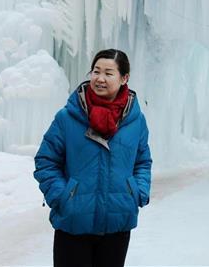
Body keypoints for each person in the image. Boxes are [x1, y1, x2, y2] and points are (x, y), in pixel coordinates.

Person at [34, 49, 152, 267]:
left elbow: (142, 161)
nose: (100, 78)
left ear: (124, 78)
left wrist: (137, 192)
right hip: (73, 222)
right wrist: (63, 197)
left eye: (108, 73)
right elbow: (46, 161)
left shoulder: (135, 121)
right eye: (96, 71)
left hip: (117, 222)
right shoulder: (68, 117)